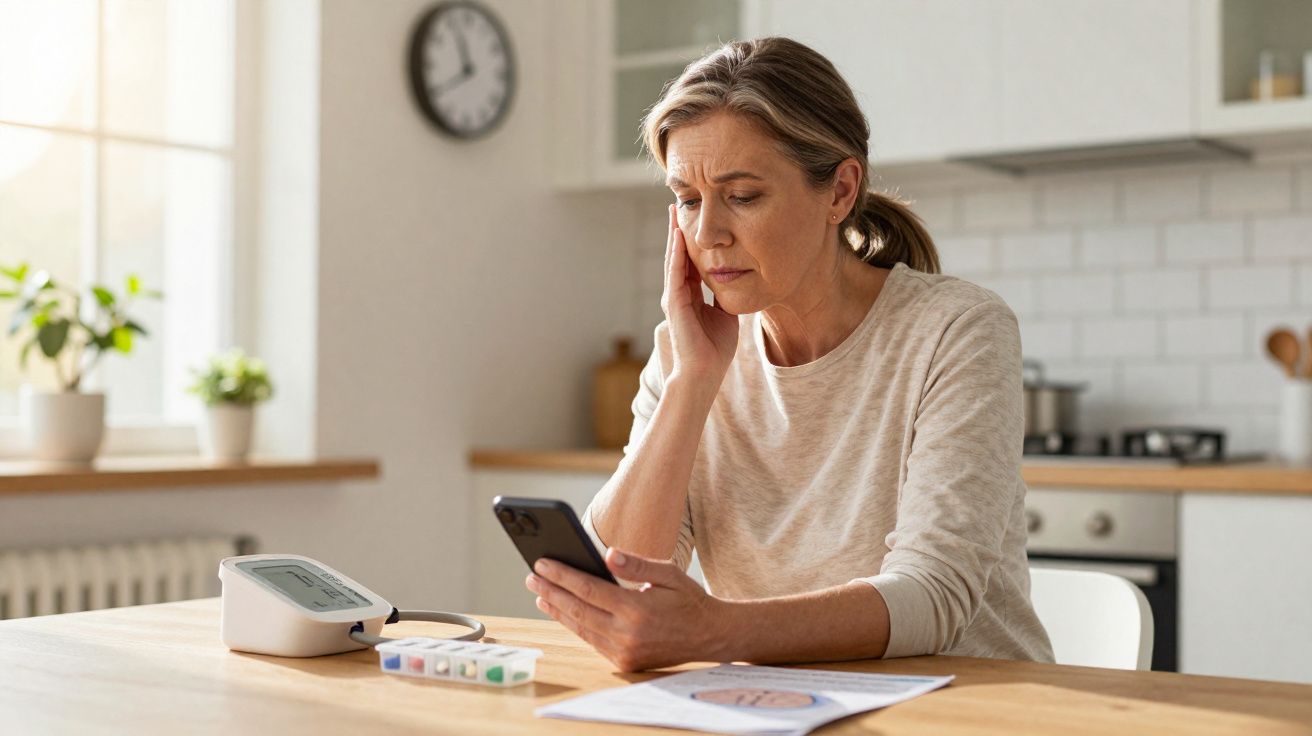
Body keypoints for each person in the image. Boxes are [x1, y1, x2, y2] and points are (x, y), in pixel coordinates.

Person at [524, 36, 1054, 672]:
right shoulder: (688, 350)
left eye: (742, 196)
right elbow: (623, 586)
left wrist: (715, 631)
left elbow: (934, 597)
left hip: (968, 707)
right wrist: (692, 381)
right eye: (688, 201)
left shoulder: (956, 329)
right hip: (775, 706)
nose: (708, 233)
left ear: (838, 192)